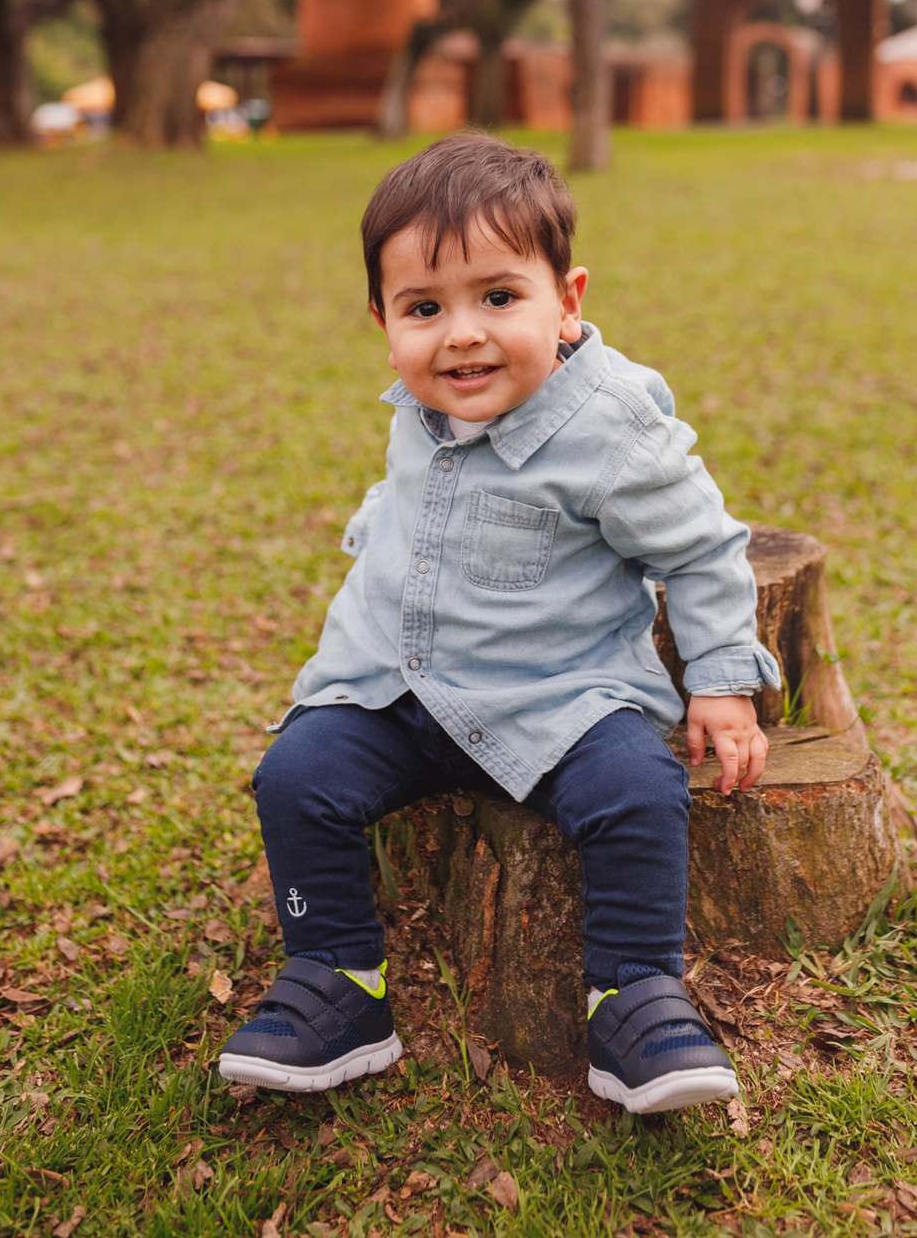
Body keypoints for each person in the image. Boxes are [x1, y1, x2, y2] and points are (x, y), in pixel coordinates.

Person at [218, 134, 779, 1114]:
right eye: (424, 309)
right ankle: (338, 982)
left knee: (639, 789)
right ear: (382, 320)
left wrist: (723, 685)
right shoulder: (424, 405)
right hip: (400, 689)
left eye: (499, 297)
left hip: (559, 701)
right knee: (297, 776)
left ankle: (635, 995)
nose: (462, 335)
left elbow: (697, 548)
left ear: (568, 299)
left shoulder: (611, 427)